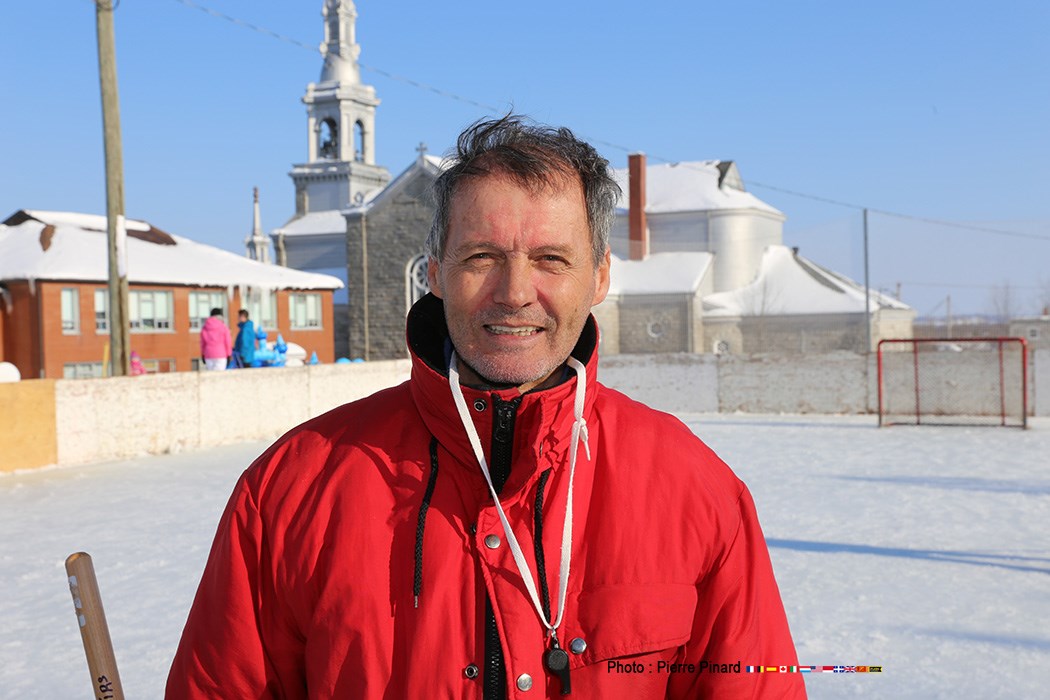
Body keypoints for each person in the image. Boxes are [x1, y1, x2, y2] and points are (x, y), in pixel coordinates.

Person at [167, 115, 805, 698]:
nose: (515, 292)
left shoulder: (695, 491)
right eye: (482, 258)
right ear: (437, 273)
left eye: (551, 259)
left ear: (601, 276)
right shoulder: (291, 491)